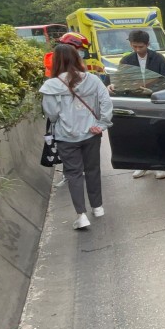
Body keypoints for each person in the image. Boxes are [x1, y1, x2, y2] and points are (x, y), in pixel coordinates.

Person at [40, 42, 114, 230]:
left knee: (73, 174)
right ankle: (97, 207)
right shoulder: (92, 80)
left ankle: (81, 215)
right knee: (93, 170)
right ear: (77, 57)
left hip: (66, 137)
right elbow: (106, 102)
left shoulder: (51, 86)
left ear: (56, 62)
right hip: (91, 133)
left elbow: (52, 114)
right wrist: (102, 124)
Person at [119, 29, 165, 180]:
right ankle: (142, 164)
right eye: (134, 46)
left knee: (157, 133)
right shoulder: (126, 60)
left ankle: (159, 165)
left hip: (155, 100)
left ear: (147, 44)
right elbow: (120, 81)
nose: (137, 50)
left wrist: (152, 90)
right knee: (138, 134)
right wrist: (113, 86)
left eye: (140, 47)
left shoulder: (159, 58)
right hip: (135, 102)